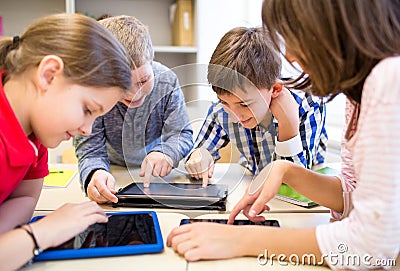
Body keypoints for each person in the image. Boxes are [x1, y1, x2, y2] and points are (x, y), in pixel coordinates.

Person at [167, 0, 400, 269]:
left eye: (293, 34)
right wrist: (287, 171)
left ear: (332, 25)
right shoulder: (357, 95)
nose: (288, 55)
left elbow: (372, 244)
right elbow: (352, 194)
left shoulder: (388, 78)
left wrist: (243, 239)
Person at [0, 13, 132, 270]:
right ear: (49, 75)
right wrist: (41, 234)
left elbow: (25, 197)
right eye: (87, 110)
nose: (87, 129)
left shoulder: (35, 131)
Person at [185, 26, 327, 186]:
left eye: (244, 105)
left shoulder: (308, 103)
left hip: (305, 195)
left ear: (275, 89)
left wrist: (288, 124)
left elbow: (295, 180)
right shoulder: (223, 109)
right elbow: (199, 152)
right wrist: (199, 157)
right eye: (224, 102)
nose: (234, 116)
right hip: (254, 180)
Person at [74, 15, 193, 204]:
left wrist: (166, 152)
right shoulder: (95, 90)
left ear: (152, 60)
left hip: (159, 177)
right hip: (112, 173)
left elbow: (182, 133)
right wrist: (95, 173)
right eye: (122, 85)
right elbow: (90, 149)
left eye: (143, 80)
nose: (134, 93)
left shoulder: (167, 81)